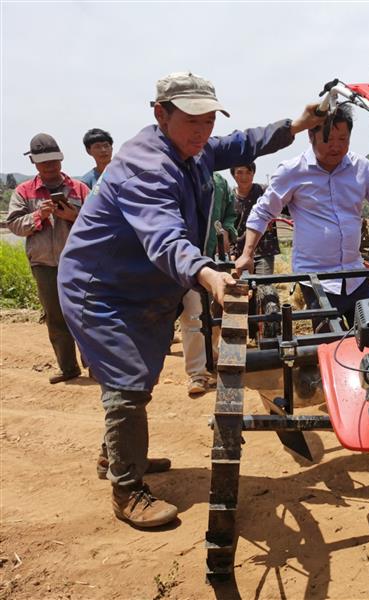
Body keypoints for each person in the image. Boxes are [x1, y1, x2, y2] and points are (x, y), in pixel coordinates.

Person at [58, 71, 323, 528]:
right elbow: (165, 238)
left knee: (141, 372)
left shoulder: (190, 150)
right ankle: (126, 489)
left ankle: (116, 456)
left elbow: (243, 143)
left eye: (209, 119)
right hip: (101, 290)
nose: (203, 130)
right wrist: (207, 275)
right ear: (161, 114)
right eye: (192, 119)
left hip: (142, 287)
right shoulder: (146, 165)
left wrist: (296, 125)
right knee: (128, 385)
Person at [236, 105, 369, 329]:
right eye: (328, 139)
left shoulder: (361, 168)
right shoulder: (293, 171)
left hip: (355, 275)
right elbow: (263, 211)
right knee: (328, 339)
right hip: (316, 279)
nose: (336, 146)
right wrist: (247, 254)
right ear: (311, 136)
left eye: (343, 139)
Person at [7, 134, 89, 383]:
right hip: (44, 264)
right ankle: (68, 368)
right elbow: (15, 226)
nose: (51, 166)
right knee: (55, 317)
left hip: (78, 263)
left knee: (86, 315)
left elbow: (98, 221)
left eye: (54, 160)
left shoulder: (78, 188)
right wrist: (38, 216)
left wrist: (74, 215)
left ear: (61, 159)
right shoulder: (24, 191)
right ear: (33, 162)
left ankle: (97, 366)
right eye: (45, 162)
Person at [181, 172, 238, 396]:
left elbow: (230, 214)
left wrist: (227, 232)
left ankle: (212, 357)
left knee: (214, 313)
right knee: (193, 314)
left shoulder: (219, 182)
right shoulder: (176, 175)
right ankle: (198, 372)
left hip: (213, 258)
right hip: (184, 260)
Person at [231, 162, 282, 274]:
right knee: (243, 289)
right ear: (233, 174)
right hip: (239, 254)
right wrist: (231, 254)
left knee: (264, 287)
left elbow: (286, 206)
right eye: (239, 172)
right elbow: (227, 227)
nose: (244, 177)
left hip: (263, 252)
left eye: (248, 172)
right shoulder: (229, 198)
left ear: (253, 174)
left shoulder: (265, 192)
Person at [79, 128, 113, 194]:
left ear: (111, 148)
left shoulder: (127, 173)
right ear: (88, 151)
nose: (103, 150)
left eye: (106, 146)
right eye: (97, 147)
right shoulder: (86, 182)